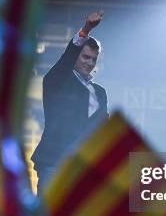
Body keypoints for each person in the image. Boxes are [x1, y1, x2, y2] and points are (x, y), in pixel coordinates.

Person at [31, 11, 109, 193]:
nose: (89, 63)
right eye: (85, 57)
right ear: (75, 57)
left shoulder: (100, 92)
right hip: (54, 162)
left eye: (93, 59)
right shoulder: (57, 80)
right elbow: (66, 60)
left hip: (83, 168)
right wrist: (86, 30)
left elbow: (101, 127)